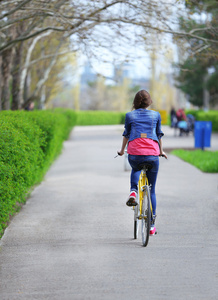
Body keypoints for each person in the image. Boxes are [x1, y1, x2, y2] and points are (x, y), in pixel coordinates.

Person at [117, 90, 167, 235]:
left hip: (134, 153)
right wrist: (161, 151)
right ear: (149, 102)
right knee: (152, 190)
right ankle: (151, 226)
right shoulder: (156, 115)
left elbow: (126, 134)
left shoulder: (129, 115)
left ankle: (133, 191)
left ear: (135, 102)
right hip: (152, 154)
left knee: (135, 168)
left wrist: (121, 151)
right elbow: (159, 135)